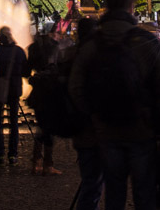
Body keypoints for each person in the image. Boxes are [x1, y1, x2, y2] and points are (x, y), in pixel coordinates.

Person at [69, 0, 160, 210]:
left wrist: (95, 114)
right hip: (142, 130)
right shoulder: (146, 41)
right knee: (144, 194)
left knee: (114, 194)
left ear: (106, 7)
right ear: (130, 7)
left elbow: (76, 87)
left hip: (106, 131)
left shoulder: (92, 44)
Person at [67, 17, 104, 210]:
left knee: (90, 178)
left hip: (78, 124)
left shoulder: (71, 54)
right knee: (95, 181)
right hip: (95, 124)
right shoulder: (95, 54)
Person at [0, 26, 27, 166]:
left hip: (1, 88)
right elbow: (26, 71)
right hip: (14, 89)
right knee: (14, 122)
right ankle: (13, 154)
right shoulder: (19, 51)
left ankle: (0, 154)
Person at [26, 29, 63, 175]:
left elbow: (26, 71)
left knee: (41, 125)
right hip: (51, 92)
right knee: (49, 127)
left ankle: (37, 161)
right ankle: (47, 163)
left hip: (38, 92)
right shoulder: (53, 49)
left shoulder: (35, 48)